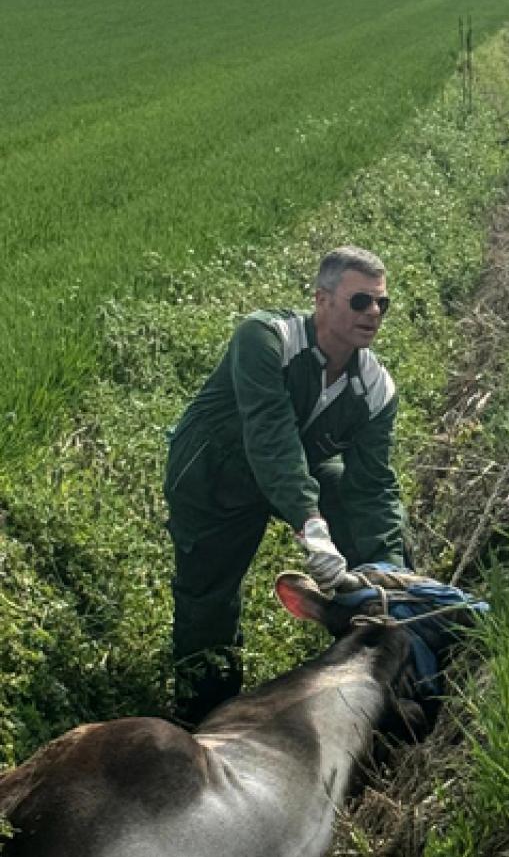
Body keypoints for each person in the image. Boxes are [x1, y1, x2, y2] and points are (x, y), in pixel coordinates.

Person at [163, 246, 409, 725]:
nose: (374, 313)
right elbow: (270, 436)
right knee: (209, 601)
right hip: (215, 476)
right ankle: (203, 717)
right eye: (361, 301)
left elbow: (373, 486)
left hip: (293, 470)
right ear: (322, 300)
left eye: (382, 303)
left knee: (377, 521)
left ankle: (374, 647)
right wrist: (309, 523)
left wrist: (392, 573)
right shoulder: (265, 339)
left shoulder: (375, 389)